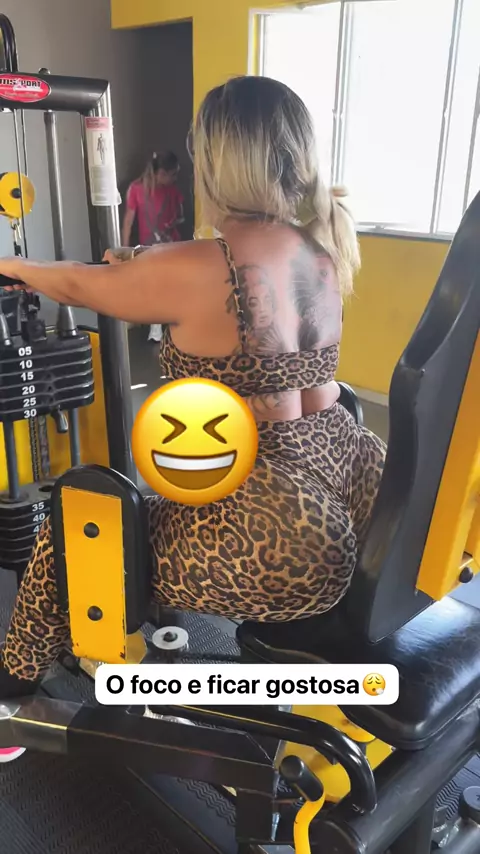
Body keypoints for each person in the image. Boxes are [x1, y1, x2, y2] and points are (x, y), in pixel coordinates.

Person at [0, 77, 386, 721]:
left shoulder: (200, 264)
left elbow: (77, 284)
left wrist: (15, 267)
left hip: (278, 534)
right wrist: (143, 260)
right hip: (351, 486)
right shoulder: (322, 248)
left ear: (216, 162)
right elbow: (190, 274)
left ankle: (11, 695)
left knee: (67, 535)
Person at [122, 150, 185, 342]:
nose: (175, 179)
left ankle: (174, 329)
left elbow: (180, 215)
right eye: (173, 174)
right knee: (154, 286)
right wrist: (124, 251)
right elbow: (128, 222)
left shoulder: (172, 191)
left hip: (172, 245)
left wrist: (174, 222)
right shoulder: (136, 189)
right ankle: (155, 329)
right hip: (149, 248)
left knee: (173, 286)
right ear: (162, 173)